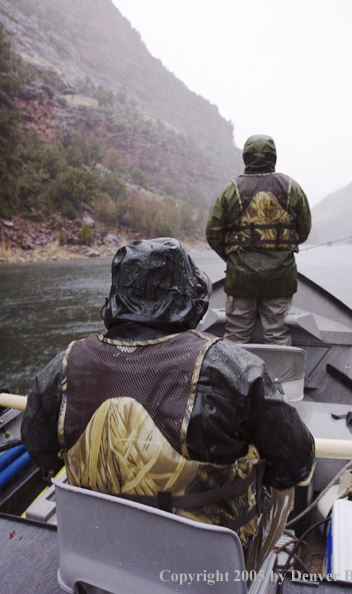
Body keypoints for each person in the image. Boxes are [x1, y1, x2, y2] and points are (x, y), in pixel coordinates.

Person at [22, 237, 314, 573]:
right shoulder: (232, 367)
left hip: (102, 556)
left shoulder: (64, 364)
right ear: (190, 296)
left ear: (117, 296)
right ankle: (253, 568)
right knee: (282, 485)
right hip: (203, 571)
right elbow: (297, 461)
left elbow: (39, 447)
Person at [206, 134, 311, 345]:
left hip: (241, 277)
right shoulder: (292, 188)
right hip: (280, 277)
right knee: (277, 333)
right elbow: (304, 229)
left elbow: (213, 233)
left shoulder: (230, 190)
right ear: (274, 156)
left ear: (246, 156)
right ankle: (278, 378)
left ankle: (232, 377)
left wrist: (233, 258)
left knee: (236, 335)